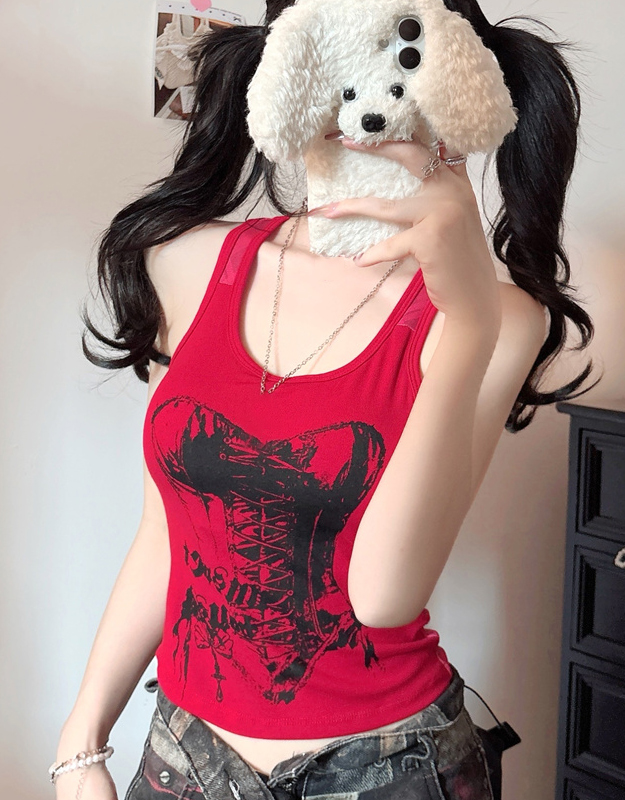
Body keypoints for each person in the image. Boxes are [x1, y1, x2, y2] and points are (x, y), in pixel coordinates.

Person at [54, 1, 593, 798]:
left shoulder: (502, 320)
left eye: (400, 53)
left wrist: (470, 320)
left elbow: (382, 596)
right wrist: (81, 741)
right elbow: (168, 532)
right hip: (187, 752)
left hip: (388, 764)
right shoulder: (187, 263)